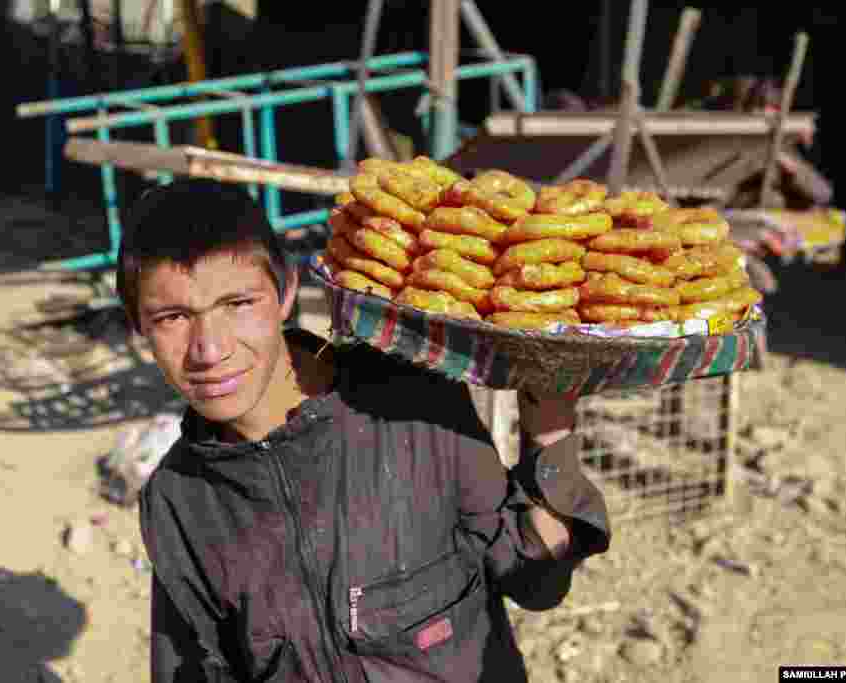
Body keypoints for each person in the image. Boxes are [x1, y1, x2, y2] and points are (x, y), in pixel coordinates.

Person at [118, 178, 611, 682]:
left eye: (238, 304)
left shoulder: (411, 403)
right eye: (174, 317)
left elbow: (534, 580)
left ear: (286, 291)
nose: (209, 349)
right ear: (139, 327)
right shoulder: (178, 503)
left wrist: (549, 424)